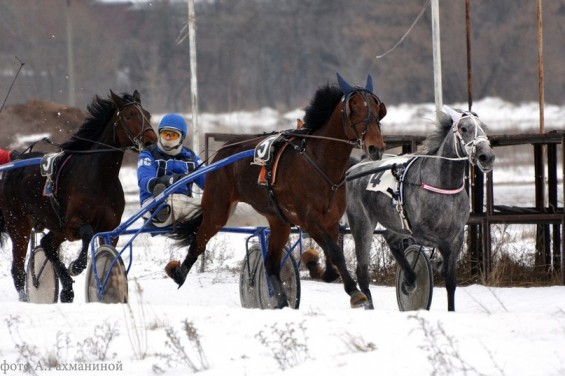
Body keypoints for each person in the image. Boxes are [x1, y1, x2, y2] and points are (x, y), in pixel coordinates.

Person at [137, 113, 205, 227]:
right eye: (165, 134)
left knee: (216, 209)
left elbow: (207, 181)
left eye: (172, 135)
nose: (168, 137)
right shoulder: (148, 154)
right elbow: (144, 179)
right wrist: (169, 181)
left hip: (185, 202)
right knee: (170, 207)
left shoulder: (191, 157)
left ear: (180, 138)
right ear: (159, 134)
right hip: (153, 200)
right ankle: (160, 210)